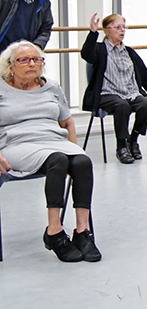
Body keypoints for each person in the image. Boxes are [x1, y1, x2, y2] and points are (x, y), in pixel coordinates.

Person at [0, 40, 100, 262]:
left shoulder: (51, 86)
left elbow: (67, 123)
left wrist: (76, 150)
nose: (32, 64)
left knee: (82, 162)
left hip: (53, 139)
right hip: (16, 144)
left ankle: (82, 231)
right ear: (10, 65)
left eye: (36, 59)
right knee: (57, 160)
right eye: (24, 60)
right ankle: (54, 231)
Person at [81, 13, 147, 164]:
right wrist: (93, 33)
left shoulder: (130, 52)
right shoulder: (100, 49)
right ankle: (121, 146)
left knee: (146, 104)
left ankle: (132, 140)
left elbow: (146, 78)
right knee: (122, 106)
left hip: (130, 93)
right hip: (107, 94)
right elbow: (86, 54)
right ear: (107, 31)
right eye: (117, 27)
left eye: (124, 27)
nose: (122, 31)